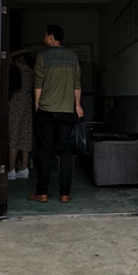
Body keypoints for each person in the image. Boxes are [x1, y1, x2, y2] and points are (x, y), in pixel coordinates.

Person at [29, 24, 83, 204]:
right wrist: (77, 105)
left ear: (51, 37)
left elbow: (38, 82)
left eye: (45, 35)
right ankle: (65, 194)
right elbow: (77, 83)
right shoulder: (73, 57)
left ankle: (42, 192)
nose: (44, 38)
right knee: (66, 152)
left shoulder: (43, 56)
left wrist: (36, 103)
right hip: (67, 110)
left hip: (47, 110)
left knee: (44, 151)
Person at [7, 49, 35, 181]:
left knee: (14, 136)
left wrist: (21, 51)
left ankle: (11, 170)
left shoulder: (17, 67)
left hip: (15, 102)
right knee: (25, 135)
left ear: (22, 58)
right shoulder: (32, 71)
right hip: (28, 103)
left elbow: (7, 56)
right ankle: (24, 168)